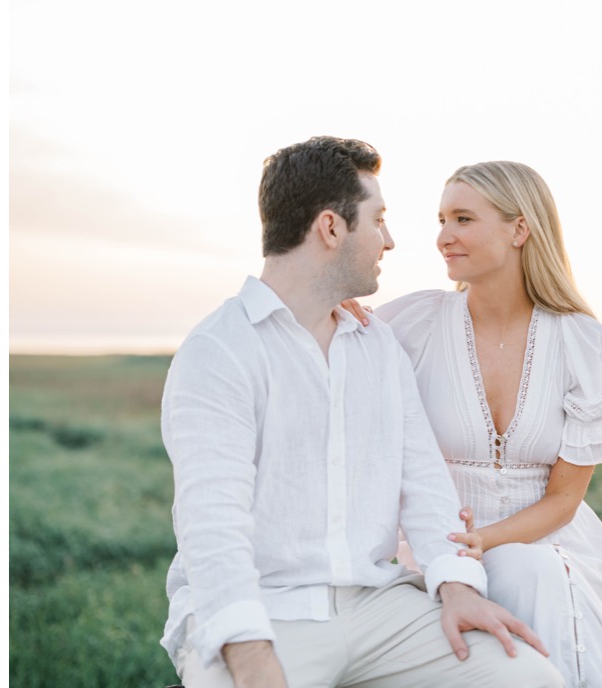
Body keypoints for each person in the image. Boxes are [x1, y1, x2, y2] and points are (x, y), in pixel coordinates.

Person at [161, 137, 563, 688]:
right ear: (331, 228)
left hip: (381, 609)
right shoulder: (219, 350)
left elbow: (425, 485)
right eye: (378, 220)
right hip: (265, 613)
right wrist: (252, 661)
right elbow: (212, 525)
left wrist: (458, 586)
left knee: (531, 680)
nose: (390, 240)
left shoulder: (377, 344)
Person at [350, 161, 602, 688]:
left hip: (548, 548)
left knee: (532, 571)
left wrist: (482, 541)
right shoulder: (410, 324)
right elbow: (330, 343)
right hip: (437, 552)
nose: (443, 237)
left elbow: (563, 501)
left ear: (519, 228)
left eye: (463, 219)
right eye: (441, 220)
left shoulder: (581, 341)